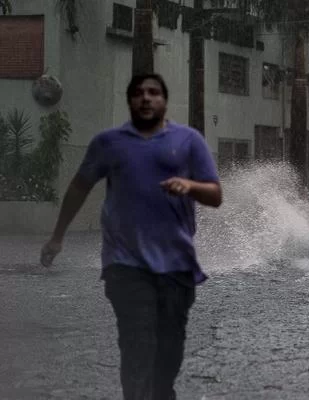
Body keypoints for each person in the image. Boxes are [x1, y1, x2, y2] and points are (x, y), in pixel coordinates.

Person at [39, 73, 222, 400]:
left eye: (153, 93)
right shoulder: (108, 143)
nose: (146, 98)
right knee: (137, 346)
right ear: (130, 101)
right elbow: (79, 187)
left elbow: (215, 195)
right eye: (138, 93)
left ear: (164, 101)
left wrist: (189, 186)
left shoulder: (188, 140)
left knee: (168, 355)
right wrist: (58, 236)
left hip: (177, 267)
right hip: (125, 265)